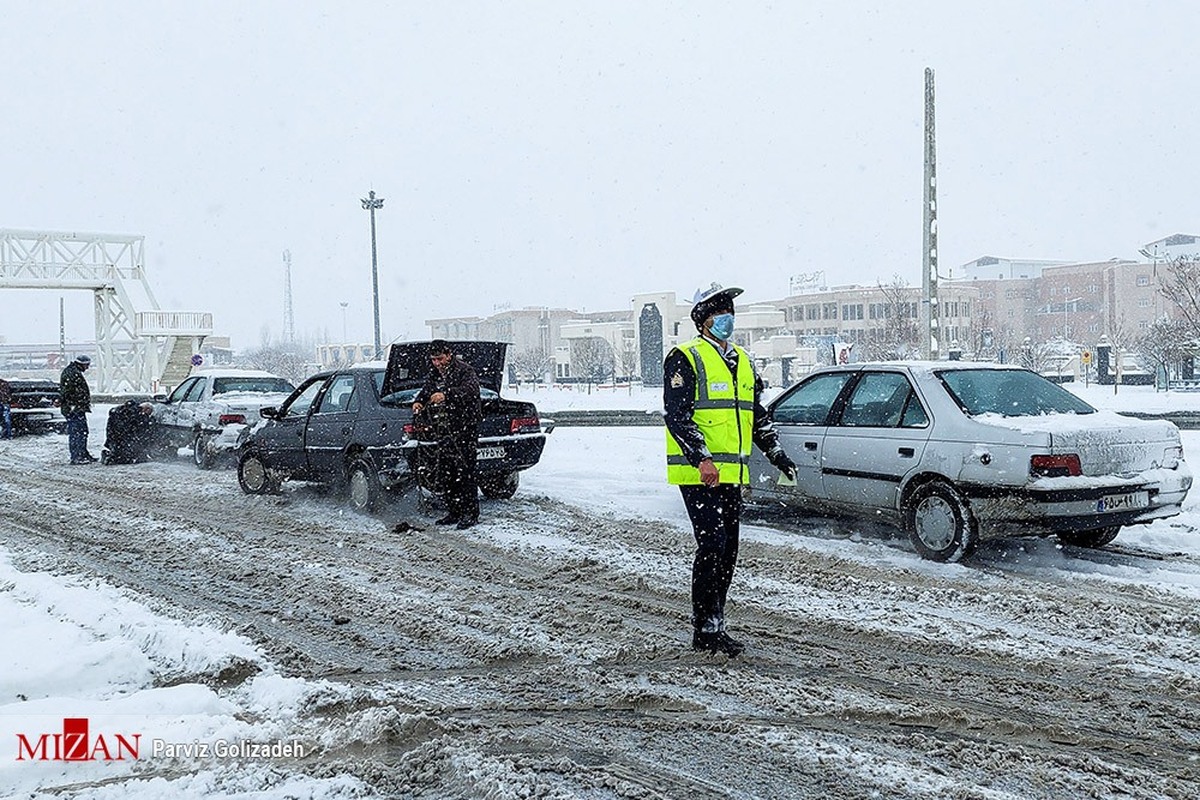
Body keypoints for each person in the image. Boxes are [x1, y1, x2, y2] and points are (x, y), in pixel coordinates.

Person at [664, 283, 797, 657]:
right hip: (699, 474)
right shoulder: (685, 357)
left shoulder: (743, 360)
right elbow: (677, 416)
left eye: (730, 313)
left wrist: (776, 454)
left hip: (732, 474)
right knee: (712, 545)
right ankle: (705, 631)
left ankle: (716, 624)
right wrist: (701, 458)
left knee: (728, 552)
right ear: (703, 320)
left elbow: (756, 414)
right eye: (720, 313)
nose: (728, 319)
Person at [412, 340, 483, 529]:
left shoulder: (464, 370)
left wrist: (447, 395)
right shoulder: (435, 374)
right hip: (443, 429)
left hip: (464, 428)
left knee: (465, 472)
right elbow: (426, 391)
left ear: (449, 355)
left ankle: (470, 514)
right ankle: (454, 511)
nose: (437, 363)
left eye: (440, 359)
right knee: (447, 472)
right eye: (433, 360)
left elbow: (471, 391)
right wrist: (419, 401)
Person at [60, 354, 96, 464]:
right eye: (87, 365)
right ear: (81, 364)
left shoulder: (73, 372)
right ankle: (77, 456)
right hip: (74, 409)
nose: (87, 368)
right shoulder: (72, 373)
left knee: (82, 432)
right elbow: (67, 392)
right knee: (77, 433)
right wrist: (74, 404)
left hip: (76, 408)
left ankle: (83, 454)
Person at [101, 400, 157, 464]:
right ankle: (110, 457)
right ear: (147, 409)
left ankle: (110, 455)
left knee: (121, 454)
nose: (147, 415)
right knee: (126, 457)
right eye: (149, 413)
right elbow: (136, 429)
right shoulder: (136, 414)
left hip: (115, 436)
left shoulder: (123, 409)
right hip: (122, 437)